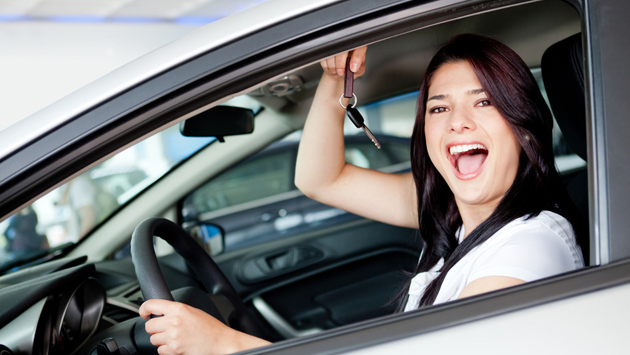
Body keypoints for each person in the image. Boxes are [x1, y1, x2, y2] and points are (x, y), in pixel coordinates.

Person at [138, 34, 584, 354]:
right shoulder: (456, 212)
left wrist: (225, 344)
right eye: (439, 107)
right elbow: (320, 179)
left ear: (523, 125)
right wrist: (337, 79)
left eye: (484, 101)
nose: (458, 122)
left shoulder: (530, 245)